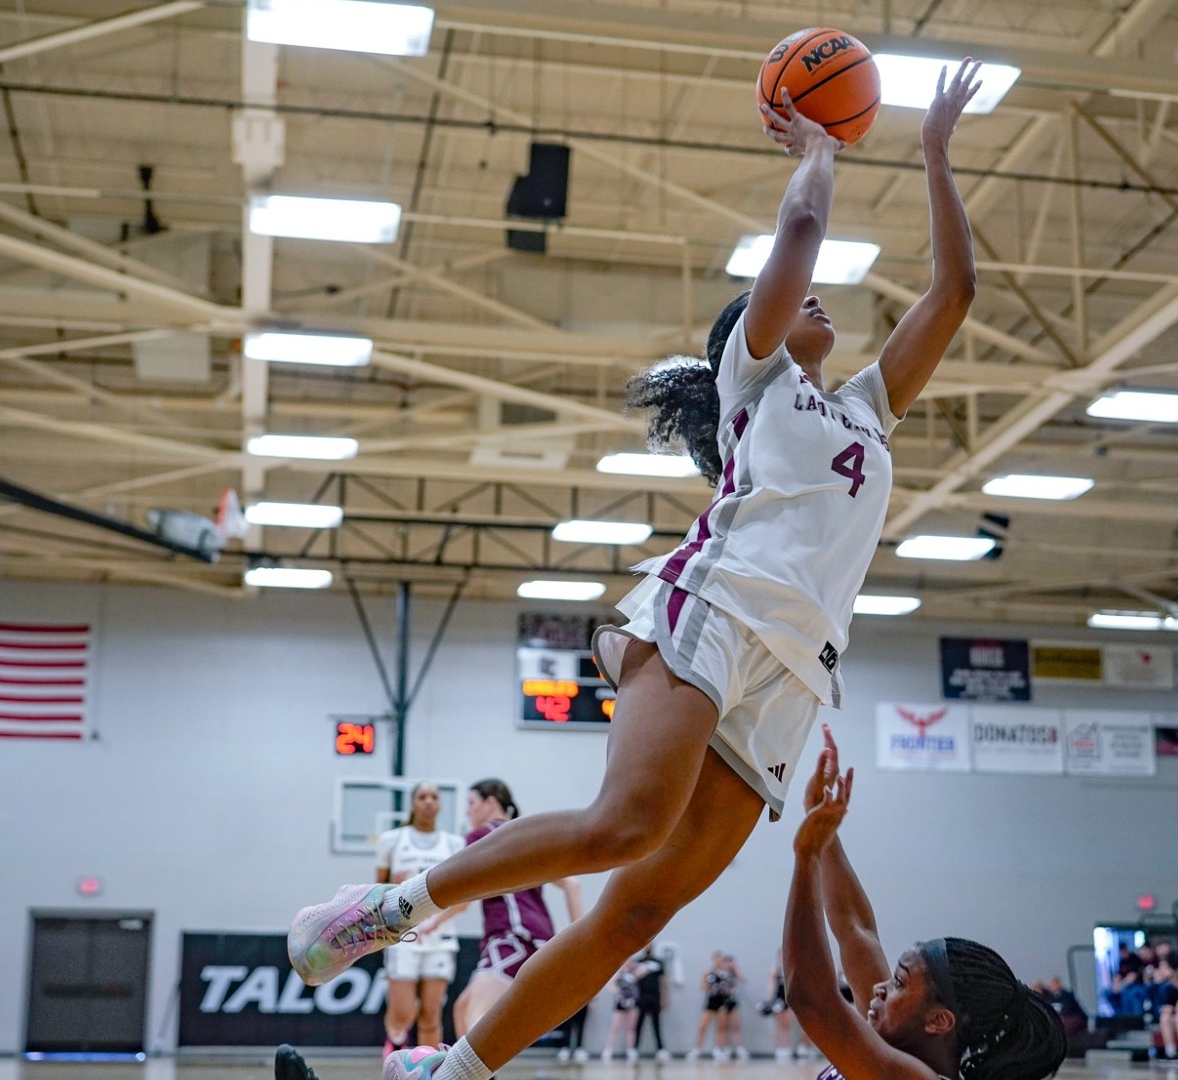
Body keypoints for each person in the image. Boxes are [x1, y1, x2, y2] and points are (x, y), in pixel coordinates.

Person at [287, 61, 988, 1080]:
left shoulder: (868, 411)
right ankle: (381, 910)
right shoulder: (756, 381)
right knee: (627, 825)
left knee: (638, 913)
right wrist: (820, 152)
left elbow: (956, 292)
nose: (821, 299)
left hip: (794, 676)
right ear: (750, 339)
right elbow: (796, 239)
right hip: (719, 605)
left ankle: (451, 1071)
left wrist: (934, 153)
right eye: (800, 303)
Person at [780, 725, 1066, 1080]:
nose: (881, 987)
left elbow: (812, 1000)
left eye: (899, 983)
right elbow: (855, 929)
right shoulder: (890, 1041)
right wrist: (823, 829)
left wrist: (806, 855)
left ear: (939, 1020)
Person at [278, 781, 581, 1080]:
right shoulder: (526, 839)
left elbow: (465, 889)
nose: (468, 812)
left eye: (471, 803)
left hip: (511, 935)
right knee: (461, 1012)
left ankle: (388, 913)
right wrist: (577, 936)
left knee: (474, 1019)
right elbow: (573, 884)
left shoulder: (484, 835)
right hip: (530, 935)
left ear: (490, 803)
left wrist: (413, 911)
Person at [375, 783, 467, 1056]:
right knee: (403, 1013)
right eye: (422, 797)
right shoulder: (392, 840)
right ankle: (395, 1048)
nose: (428, 801)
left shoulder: (454, 844)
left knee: (430, 1014)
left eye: (434, 797)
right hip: (403, 937)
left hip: (439, 939)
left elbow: (464, 898)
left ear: (440, 804)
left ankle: (427, 1066)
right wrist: (394, 885)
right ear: (413, 803)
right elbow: (376, 893)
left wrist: (435, 922)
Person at [695, 950, 741, 1059]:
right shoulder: (709, 972)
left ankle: (719, 1048)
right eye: (716, 959)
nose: (718, 962)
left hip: (723, 1001)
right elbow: (703, 987)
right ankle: (697, 1049)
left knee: (721, 1026)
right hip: (712, 1000)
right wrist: (705, 978)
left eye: (720, 959)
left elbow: (732, 986)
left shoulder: (727, 973)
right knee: (703, 1025)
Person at [632, 944, 671, 1060]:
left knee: (656, 1023)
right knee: (639, 1023)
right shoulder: (638, 962)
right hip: (641, 996)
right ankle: (634, 1048)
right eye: (646, 945)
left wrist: (664, 997)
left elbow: (663, 980)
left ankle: (660, 1049)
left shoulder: (658, 962)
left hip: (655, 996)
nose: (648, 947)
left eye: (650, 945)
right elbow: (632, 979)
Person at [603, 960, 640, 1062]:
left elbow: (643, 972)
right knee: (615, 1026)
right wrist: (616, 993)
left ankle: (631, 1050)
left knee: (631, 1028)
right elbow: (608, 984)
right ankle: (608, 1050)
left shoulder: (635, 971)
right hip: (621, 1002)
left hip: (632, 1002)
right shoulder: (619, 972)